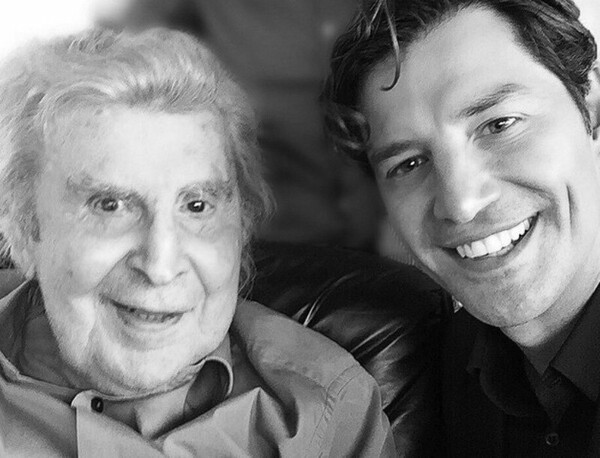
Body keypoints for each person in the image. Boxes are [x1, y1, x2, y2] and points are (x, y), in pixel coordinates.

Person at [0, 28, 395, 456]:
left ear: (242, 229)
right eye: (109, 205)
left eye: (197, 206)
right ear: (22, 230)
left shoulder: (325, 413)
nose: (161, 265)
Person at [324, 0, 600, 455]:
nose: (461, 204)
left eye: (499, 124)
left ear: (591, 107)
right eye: (409, 163)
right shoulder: (454, 356)